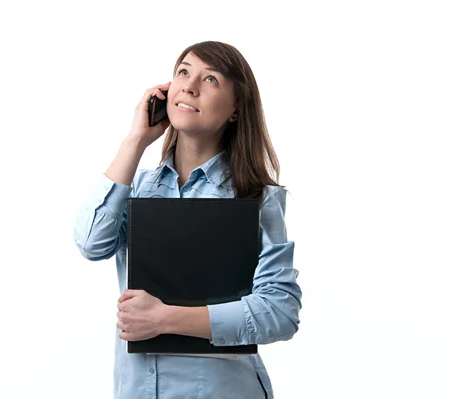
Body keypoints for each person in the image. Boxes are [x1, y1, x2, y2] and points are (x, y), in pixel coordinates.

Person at [73, 41, 302, 399]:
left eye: (210, 79)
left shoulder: (256, 200)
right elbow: (90, 243)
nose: (189, 86)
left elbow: (279, 311)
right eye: (183, 72)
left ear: (236, 110)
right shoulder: (136, 190)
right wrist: (136, 139)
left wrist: (164, 318)